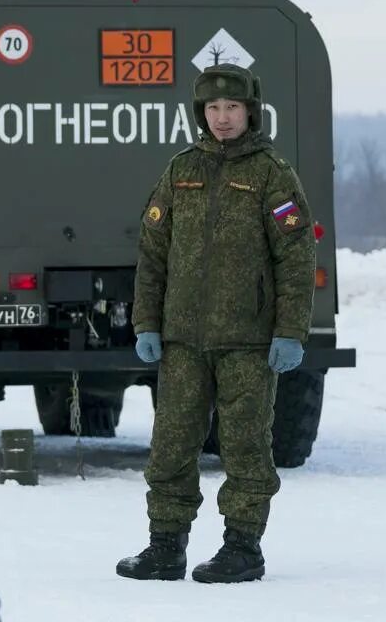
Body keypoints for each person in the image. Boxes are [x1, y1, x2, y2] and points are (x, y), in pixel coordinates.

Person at [116, 63, 316, 583]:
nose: (222, 118)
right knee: (171, 445)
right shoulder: (181, 169)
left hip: (248, 341)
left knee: (246, 445)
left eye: (231, 108)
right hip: (183, 340)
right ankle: (165, 547)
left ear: (250, 111)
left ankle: (242, 548)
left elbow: (295, 257)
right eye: (212, 108)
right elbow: (153, 252)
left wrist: (290, 331)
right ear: (200, 113)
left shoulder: (272, 173)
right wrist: (147, 322)